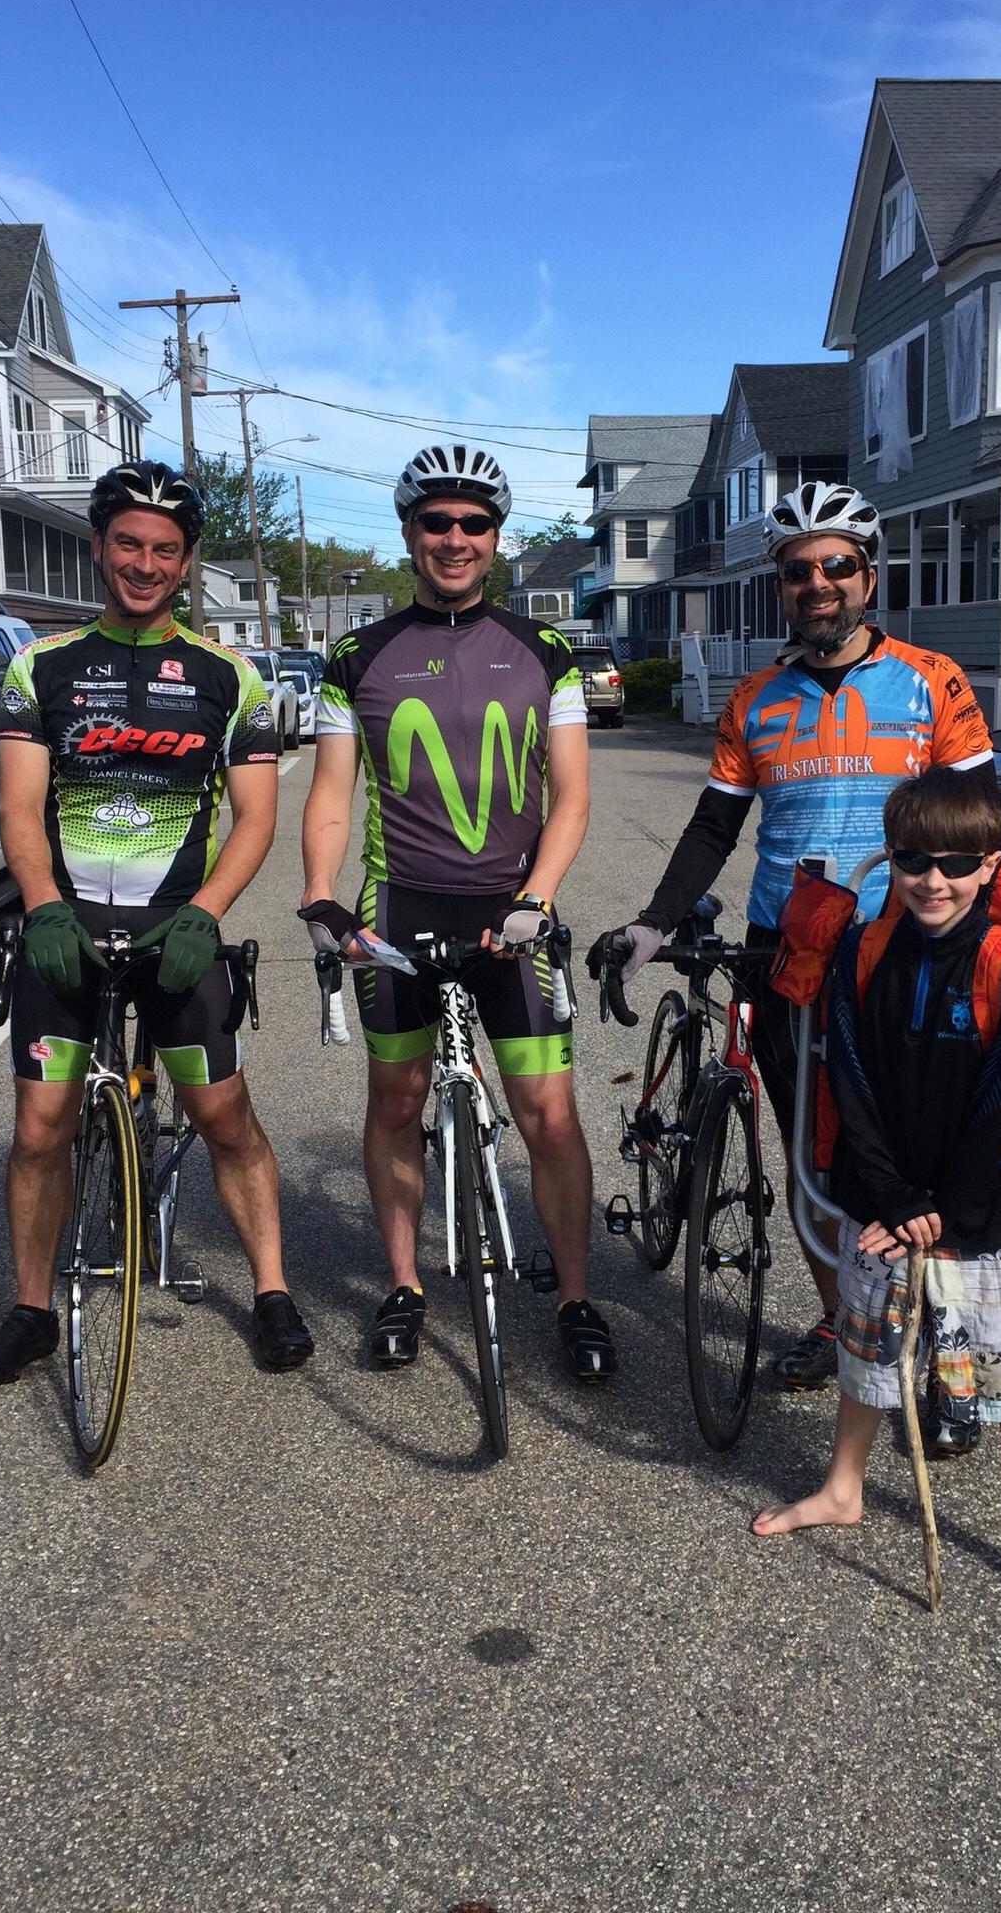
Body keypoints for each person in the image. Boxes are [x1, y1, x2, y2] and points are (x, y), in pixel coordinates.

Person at [589, 480, 993, 1393]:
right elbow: (711, 829)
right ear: (781, 585)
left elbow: (981, 827)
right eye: (798, 570)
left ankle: (948, 1351)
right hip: (788, 955)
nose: (818, 583)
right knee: (817, 1159)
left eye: (836, 565)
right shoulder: (754, 700)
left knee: (923, 1157)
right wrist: (654, 923)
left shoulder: (936, 682)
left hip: (911, 952)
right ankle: (844, 1321)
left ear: (867, 574)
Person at [0, 459, 313, 1388]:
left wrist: (206, 912)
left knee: (224, 1115)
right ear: (98, 546)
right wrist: (41, 910)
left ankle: (271, 1291)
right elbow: (20, 811)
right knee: (39, 1128)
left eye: (164, 549)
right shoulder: (43, 667)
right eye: (127, 543)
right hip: (63, 928)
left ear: (188, 561)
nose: (144, 563)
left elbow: (258, 817)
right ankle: (32, 1313)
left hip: (175, 932)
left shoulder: (228, 675)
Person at [297, 440, 616, 1380]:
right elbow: (328, 796)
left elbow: (573, 798)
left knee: (549, 1114)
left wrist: (537, 898)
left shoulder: (545, 650)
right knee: (394, 1100)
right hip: (399, 906)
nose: (455, 538)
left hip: (512, 915)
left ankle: (574, 1295)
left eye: (474, 523)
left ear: (496, 537)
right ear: (408, 531)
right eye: (436, 521)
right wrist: (319, 891)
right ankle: (403, 1284)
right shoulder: (355, 655)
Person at [749, 768, 1001, 1636]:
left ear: (988, 866)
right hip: (888, 1203)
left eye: (953, 861)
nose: (931, 878)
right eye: (911, 858)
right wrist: (898, 1195)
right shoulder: (862, 952)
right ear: (893, 858)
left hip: (984, 1212)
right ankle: (842, 1488)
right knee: (868, 1354)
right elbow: (849, 1080)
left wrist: (942, 1201)